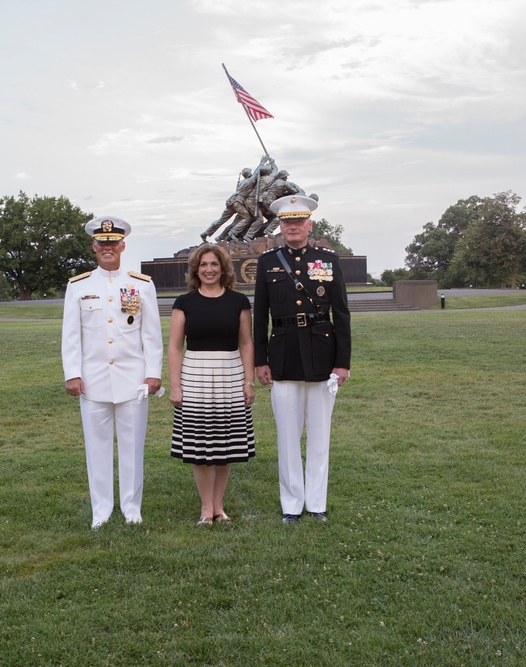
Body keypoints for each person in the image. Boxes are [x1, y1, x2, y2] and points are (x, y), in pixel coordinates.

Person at [253, 194, 351, 523]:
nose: (292, 227)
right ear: (280, 227)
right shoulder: (268, 262)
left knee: (320, 434)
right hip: (282, 356)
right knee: (287, 435)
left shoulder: (327, 259)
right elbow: (260, 316)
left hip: (322, 355)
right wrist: (260, 360)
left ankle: (317, 503)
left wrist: (342, 362)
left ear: (309, 225)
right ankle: (292, 504)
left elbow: (341, 313)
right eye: (286, 222)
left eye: (298, 222)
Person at [62, 216, 163, 529]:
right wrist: (72, 373)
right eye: (101, 243)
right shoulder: (79, 286)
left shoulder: (141, 284)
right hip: (92, 380)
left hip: (133, 379)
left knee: (133, 446)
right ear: (94, 246)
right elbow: (71, 335)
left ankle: (132, 509)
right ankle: (101, 510)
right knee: (97, 446)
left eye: (113, 243)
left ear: (122, 245)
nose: (107, 248)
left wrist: (153, 373)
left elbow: (151, 334)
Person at [168, 244, 255, 525]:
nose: (208, 269)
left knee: (224, 447)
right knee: (200, 449)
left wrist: (248, 381)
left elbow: (246, 343)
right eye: (203, 264)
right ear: (196, 269)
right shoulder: (184, 303)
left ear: (223, 268)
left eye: (214, 264)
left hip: (230, 375)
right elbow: (174, 347)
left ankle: (219, 507)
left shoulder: (239, 302)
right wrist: (175, 385)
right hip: (194, 377)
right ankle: (206, 508)